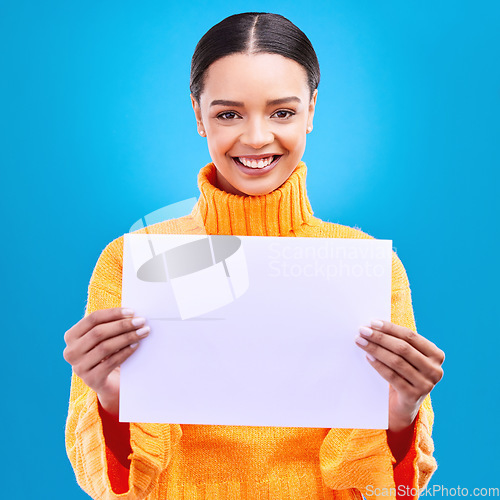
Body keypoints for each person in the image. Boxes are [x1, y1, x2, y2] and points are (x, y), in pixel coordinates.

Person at [64, 12, 445, 500]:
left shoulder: (366, 265)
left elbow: (391, 493)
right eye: (228, 114)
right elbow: (110, 488)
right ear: (198, 115)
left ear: (311, 110)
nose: (257, 137)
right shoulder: (132, 262)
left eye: (282, 112)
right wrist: (113, 401)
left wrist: (400, 415)